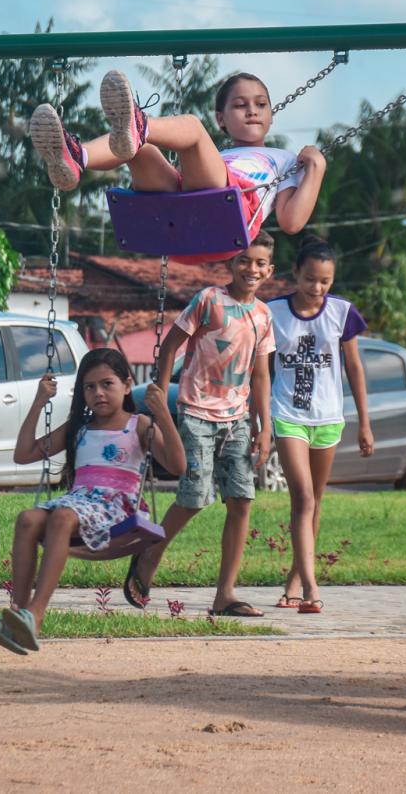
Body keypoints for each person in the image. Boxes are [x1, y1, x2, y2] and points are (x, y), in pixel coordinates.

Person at [0, 348, 185, 654]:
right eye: (90, 387)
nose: (98, 393)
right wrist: (38, 403)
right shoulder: (79, 428)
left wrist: (164, 414)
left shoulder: (139, 424)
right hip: (80, 503)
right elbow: (22, 455)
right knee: (27, 519)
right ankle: (17, 617)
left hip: (118, 508)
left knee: (62, 516)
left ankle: (35, 616)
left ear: (127, 385)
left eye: (107, 384)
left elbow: (179, 467)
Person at [124, 231, 276, 618]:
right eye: (244, 260)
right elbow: (172, 344)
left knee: (241, 500)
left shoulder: (263, 315)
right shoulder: (209, 300)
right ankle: (150, 553)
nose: (251, 269)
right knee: (194, 496)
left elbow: (260, 376)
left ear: (270, 271)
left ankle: (225, 593)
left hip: (237, 419)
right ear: (230, 263)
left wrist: (264, 426)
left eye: (260, 263)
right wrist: (159, 392)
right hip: (195, 412)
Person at [29, 69, 327, 249]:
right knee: (139, 149)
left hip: (233, 209)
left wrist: (316, 166)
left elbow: (291, 221)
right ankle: (77, 157)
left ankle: (141, 125)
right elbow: (197, 171)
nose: (252, 110)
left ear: (271, 116)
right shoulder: (219, 155)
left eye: (261, 104)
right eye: (240, 105)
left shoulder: (282, 158)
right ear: (222, 119)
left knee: (193, 130)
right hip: (186, 204)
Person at [266, 237, 373, 614]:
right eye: (310, 279)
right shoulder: (272, 312)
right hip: (287, 414)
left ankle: (295, 580)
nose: (317, 288)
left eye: (325, 281)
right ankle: (312, 586)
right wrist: (262, 422)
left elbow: (355, 368)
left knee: (316, 502)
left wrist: (364, 423)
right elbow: (260, 370)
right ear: (295, 273)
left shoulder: (342, 313)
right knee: (303, 498)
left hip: (328, 417)